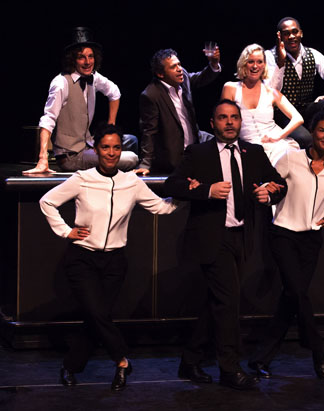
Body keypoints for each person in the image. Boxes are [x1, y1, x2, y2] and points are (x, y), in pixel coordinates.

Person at [39, 124, 192, 391]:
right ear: (96, 150)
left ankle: (70, 366)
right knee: (97, 314)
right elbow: (47, 202)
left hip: (115, 263)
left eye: (116, 147)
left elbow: (161, 207)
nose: (111, 153)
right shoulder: (82, 178)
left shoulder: (130, 182)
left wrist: (187, 195)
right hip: (82, 259)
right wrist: (66, 231)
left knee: (96, 319)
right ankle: (122, 360)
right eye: (106, 147)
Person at [163, 99, 287, 390]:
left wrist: (268, 194)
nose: (229, 122)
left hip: (242, 237)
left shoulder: (253, 152)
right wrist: (207, 191)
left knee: (217, 302)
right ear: (212, 123)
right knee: (229, 302)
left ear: (240, 122)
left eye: (234, 117)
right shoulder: (199, 153)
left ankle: (190, 360)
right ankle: (229, 368)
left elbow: (278, 184)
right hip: (212, 239)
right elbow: (172, 185)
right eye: (223, 117)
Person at [247, 111, 324, 380]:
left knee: (292, 297)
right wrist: (266, 192)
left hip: (311, 240)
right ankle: (317, 351)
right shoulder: (291, 158)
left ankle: (259, 359)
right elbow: (271, 184)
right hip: (282, 234)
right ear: (313, 132)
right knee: (298, 294)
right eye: (322, 131)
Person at [25, 27, 138, 174]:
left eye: (91, 56)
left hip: (89, 144)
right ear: (72, 60)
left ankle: (119, 179)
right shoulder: (61, 83)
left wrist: (111, 126)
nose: (87, 62)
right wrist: (43, 158)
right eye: (81, 57)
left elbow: (114, 92)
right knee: (132, 158)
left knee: (132, 140)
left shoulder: (93, 77)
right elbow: (48, 120)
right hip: (71, 155)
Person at [135, 47, 221, 175]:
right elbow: (149, 132)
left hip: (194, 142)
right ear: (160, 74)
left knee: (220, 144)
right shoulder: (151, 95)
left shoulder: (183, 77)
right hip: (173, 155)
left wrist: (213, 64)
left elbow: (200, 78)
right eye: (173, 67)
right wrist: (145, 163)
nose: (179, 69)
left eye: (179, 64)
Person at [265, 17, 324, 149]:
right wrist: (280, 63)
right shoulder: (269, 56)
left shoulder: (312, 54)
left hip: (306, 109)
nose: (291, 36)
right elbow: (270, 92)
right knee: (305, 139)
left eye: (294, 32)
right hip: (284, 113)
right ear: (280, 37)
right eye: (286, 33)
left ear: (301, 33)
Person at [221, 44, 303, 164]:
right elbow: (222, 120)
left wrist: (279, 136)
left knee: (287, 160)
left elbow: (298, 118)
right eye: (251, 61)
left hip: (276, 145)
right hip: (249, 147)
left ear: (264, 65)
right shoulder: (231, 88)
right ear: (244, 63)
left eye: (259, 62)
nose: (255, 66)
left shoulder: (271, 92)